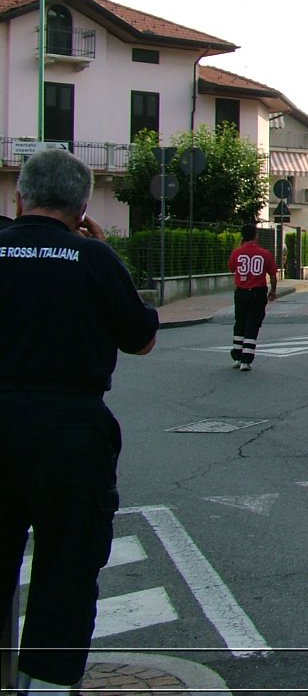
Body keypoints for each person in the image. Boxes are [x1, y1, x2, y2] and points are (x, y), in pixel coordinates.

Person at [0, 148, 159, 693]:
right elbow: (142, 339)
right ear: (83, 207)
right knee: (66, 570)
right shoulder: (94, 260)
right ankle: (45, 687)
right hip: (72, 436)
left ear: (19, 197)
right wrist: (103, 254)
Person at [228, 223, 278, 370]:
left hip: (241, 293)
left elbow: (232, 268)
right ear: (256, 235)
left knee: (240, 323)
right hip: (257, 293)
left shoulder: (236, 253)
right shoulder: (264, 253)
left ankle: (236, 357)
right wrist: (273, 291)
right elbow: (273, 275)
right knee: (252, 324)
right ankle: (246, 360)